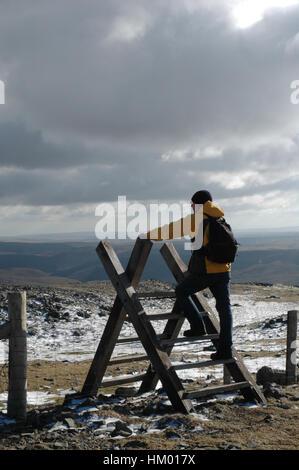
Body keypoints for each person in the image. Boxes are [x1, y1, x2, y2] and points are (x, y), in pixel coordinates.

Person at [144, 190, 233, 360]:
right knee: (225, 310)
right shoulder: (219, 217)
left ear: (197, 204)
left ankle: (198, 325)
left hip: (206, 271)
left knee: (182, 291)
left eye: (192, 204)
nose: (191, 207)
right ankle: (226, 350)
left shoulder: (197, 218)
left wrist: (147, 236)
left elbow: (170, 230)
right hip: (224, 270)